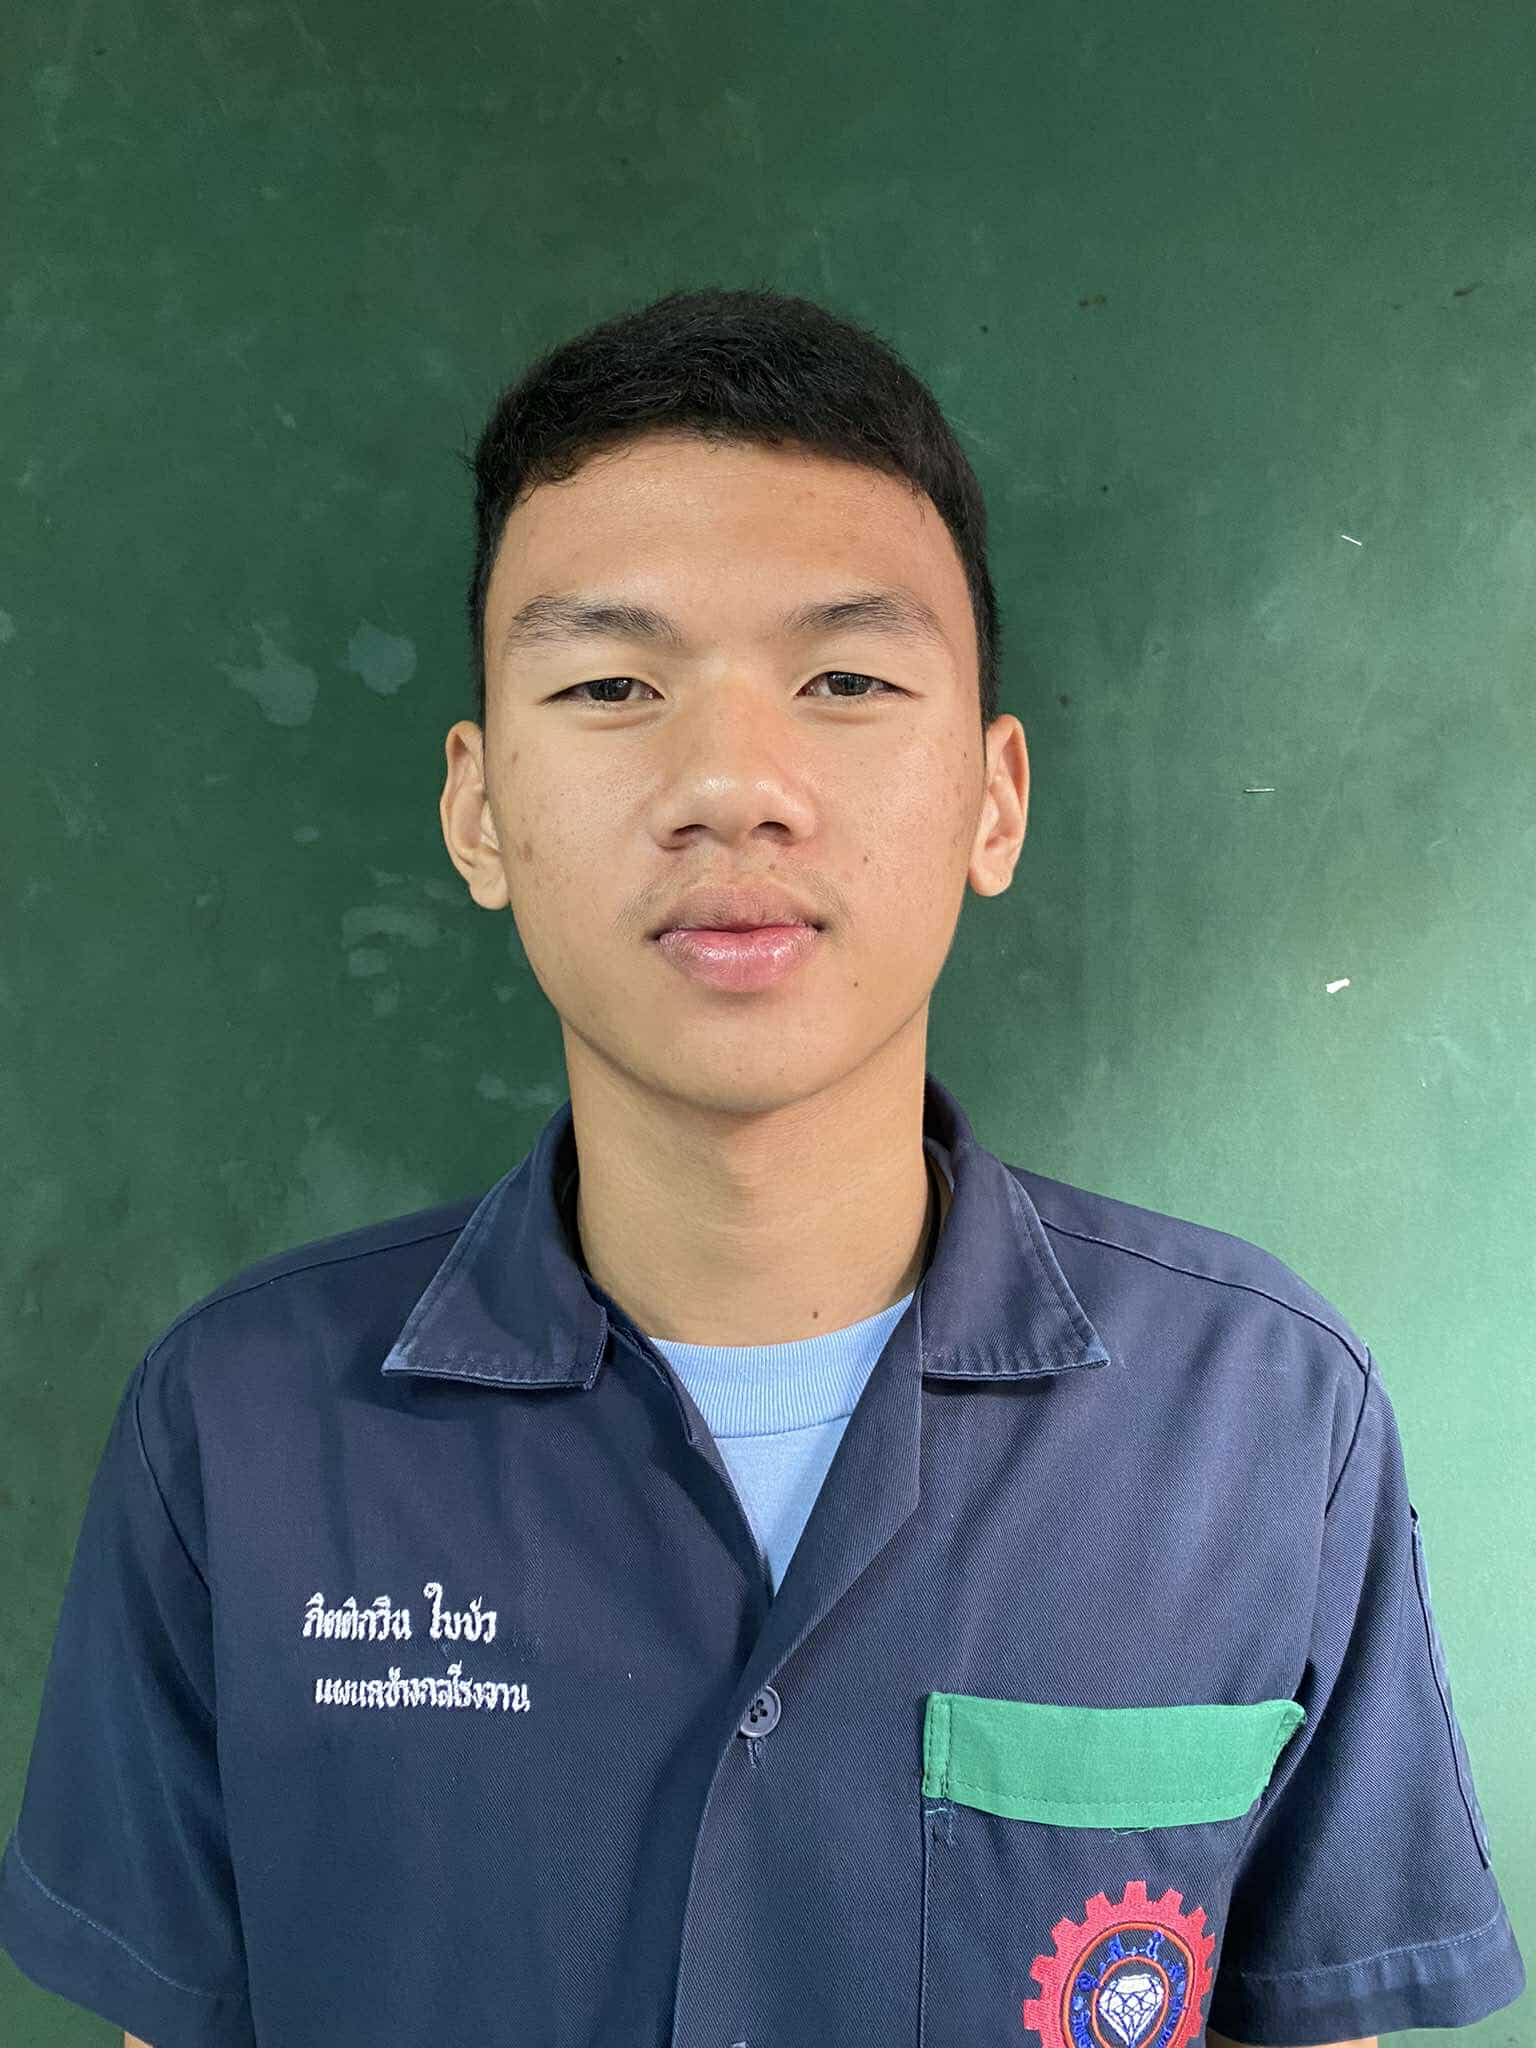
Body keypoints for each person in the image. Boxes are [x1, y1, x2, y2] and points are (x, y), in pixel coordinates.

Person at [1, 287, 1523, 2048]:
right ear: (478, 810)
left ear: (995, 798)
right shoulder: (240, 1431)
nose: (731, 783)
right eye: (612, 684)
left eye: (846, 679)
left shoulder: (1265, 1422)